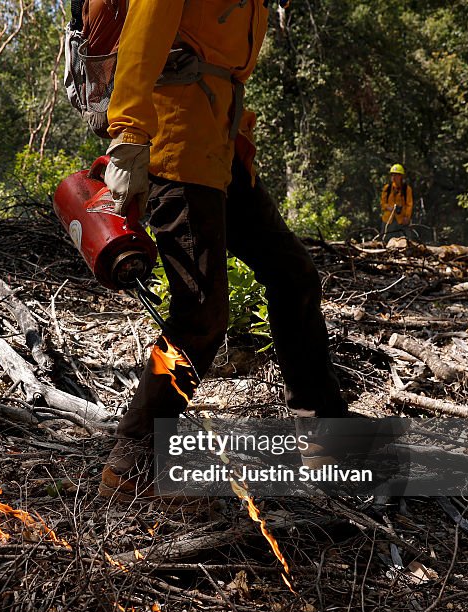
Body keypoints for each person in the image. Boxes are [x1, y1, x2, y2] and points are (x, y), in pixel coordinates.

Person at [96, 3, 398, 502]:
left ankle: (324, 434)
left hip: (221, 150)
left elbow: (224, 68)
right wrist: (129, 134)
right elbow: (142, 37)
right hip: (177, 145)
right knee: (201, 316)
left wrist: (238, 138)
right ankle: (130, 462)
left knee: (293, 274)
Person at [380, 163, 413, 230]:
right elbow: (382, 203)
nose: (393, 177)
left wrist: (407, 217)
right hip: (388, 220)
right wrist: (388, 207)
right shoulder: (387, 188)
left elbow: (409, 205)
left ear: (401, 176)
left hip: (401, 220)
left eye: (396, 175)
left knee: (405, 239)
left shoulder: (407, 189)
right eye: (392, 175)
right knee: (385, 239)